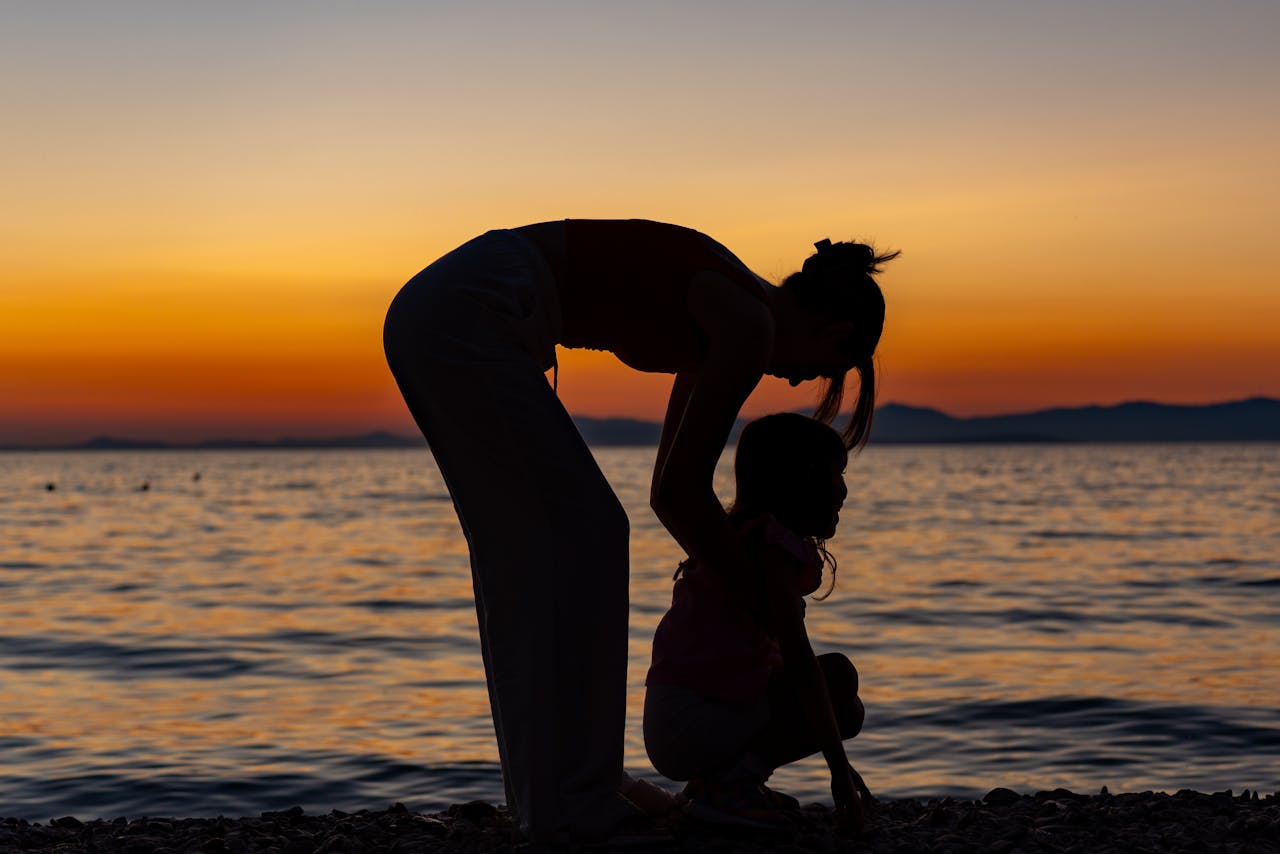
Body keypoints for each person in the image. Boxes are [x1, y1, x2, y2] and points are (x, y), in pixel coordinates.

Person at [382, 219, 895, 843]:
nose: (794, 383)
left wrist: (744, 593)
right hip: (471, 309)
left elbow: (669, 492)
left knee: (543, 553)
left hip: (458, 308)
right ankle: (574, 799)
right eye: (823, 370)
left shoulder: (736, 316)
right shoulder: (748, 323)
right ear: (835, 335)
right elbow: (682, 494)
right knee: (584, 536)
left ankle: (569, 785)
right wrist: (762, 602)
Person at [644, 412, 872, 832]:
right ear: (806, 476)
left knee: (848, 712)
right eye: (838, 474)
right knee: (838, 677)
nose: (844, 490)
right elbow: (801, 664)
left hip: (678, 722)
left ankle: (723, 783)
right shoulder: (772, 548)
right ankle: (731, 787)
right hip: (692, 723)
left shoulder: (742, 538)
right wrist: (839, 770)